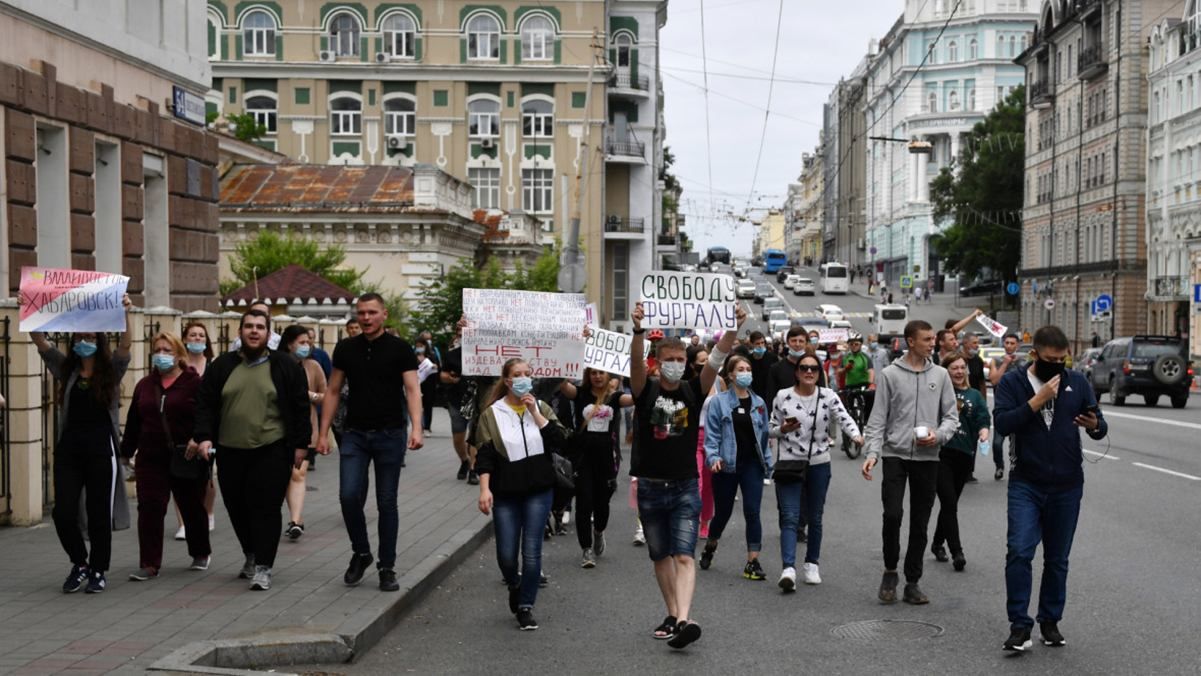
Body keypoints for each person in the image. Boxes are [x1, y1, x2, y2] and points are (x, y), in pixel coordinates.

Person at [629, 301, 746, 650]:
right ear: (659, 361)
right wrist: (637, 331)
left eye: (682, 360)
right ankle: (672, 614)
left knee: (684, 555)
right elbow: (635, 364)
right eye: (671, 359)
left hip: (684, 486)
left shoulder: (693, 390)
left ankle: (683, 619)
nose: (677, 365)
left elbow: (716, 358)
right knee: (660, 556)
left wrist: (734, 328)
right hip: (650, 485)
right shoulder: (645, 390)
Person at [994, 326, 1106, 653]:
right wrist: (1036, 401)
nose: (1056, 365)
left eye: (1062, 359)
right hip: (1026, 482)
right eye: (1049, 359)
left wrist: (1096, 425)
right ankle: (1019, 625)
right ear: (1034, 355)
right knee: (1019, 551)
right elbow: (1002, 423)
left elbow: (1099, 424)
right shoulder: (1014, 383)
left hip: (1067, 485)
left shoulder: (1077, 382)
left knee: (1057, 559)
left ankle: (1050, 621)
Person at [190, 309, 311, 591]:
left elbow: (299, 407)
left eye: (260, 327)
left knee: (266, 507)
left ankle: (264, 566)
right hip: (231, 450)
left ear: (269, 334)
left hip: (272, 448)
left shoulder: (284, 365)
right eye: (248, 327)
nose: (254, 331)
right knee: (237, 506)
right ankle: (251, 554)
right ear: (240, 332)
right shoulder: (222, 366)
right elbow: (205, 403)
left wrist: (301, 445)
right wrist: (204, 437)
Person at [316, 294, 424, 592]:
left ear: (383, 315)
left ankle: (386, 567)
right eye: (361, 313)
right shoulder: (346, 348)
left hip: (390, 434)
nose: (366, 318)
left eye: (372, 313)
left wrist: (418, 428)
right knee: (349, 496)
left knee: (386, 502)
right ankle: (361, 552)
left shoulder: (400, 348)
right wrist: (322, 433)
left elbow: (413, 390)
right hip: (354, 434)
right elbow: (333, 390)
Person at [32, 294, 134, 594]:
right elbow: (40, 342)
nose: (85, 339)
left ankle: (99, 569)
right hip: (70, 450)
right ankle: (80, 562)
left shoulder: (111, 371)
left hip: (101, 450)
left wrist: (126, 312)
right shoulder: (67, 369)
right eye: (81, 334)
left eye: (91, 335)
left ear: (100, 338)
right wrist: (31, 308)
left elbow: (126, 346)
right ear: (74, 338)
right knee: (63, 512)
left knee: (98, 511)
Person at [860, 320, 959, 606]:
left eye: (933, 339)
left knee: (920, 521)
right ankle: (890, 570)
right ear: (910, 341)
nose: (933, 343)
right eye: (927, 339)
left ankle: (912, 581)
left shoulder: (940, 375)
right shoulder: (890, 374)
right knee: (892, 514)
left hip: (928, 458)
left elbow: (952, 417)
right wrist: (872, 454)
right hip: (895, 454)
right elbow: (878, 418)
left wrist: (938, 435)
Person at [473, 358, 569, 630]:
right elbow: (485, 456)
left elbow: (560, 441)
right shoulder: (492, 414)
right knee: (506, 554)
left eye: (528, 374)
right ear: (507, 380)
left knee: (531, 551)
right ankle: (514, 584)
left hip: (539, 491)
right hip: (505, 493)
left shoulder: (542, 408)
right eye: (517, 375)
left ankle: (526, 605)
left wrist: (536, 414)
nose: (523, 378)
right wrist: (484, 489)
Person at [122, 331, 210, 581]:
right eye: (157, 350)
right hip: (150, 457)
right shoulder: (145, 386)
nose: (161, 355)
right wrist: (125, 454)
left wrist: (199, 437)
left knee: (192, 506)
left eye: (167, 351)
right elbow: (133, 422)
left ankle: (200, 551)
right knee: (150, 507)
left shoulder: (194, 383)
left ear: (180, 355)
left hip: (185, 455)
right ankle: (149, 563)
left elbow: (207, 415)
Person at [770, 354, 862, 590]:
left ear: (819, 373)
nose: (809, 372)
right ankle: (788, 569)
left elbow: (844, 418)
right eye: (804, 368)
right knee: (790, 517)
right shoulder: (783, 396)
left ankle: (812, 564)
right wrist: (783, 428)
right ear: (797, 372)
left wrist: (856, 435)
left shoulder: (828, 396)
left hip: (819, 464)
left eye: (813, 368)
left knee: (815, 517)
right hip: (790, 463)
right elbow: (770, 430)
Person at [700, 355, 772, 580]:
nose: (745, 372)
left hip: (752, 465)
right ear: (730, 375)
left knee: (753, 511)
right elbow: (711, 437)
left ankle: (752, 561)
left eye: (748, 369)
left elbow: (765, 436)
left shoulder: (759, 403)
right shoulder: (718, 402)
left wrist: (768, 464)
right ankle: (711, 544)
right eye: (740, 369)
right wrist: (713, 458)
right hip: (726, 465)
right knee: (723, 513)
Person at [559, 370, 632, 568]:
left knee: (602, 503)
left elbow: (637, 398)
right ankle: (586, 549)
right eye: (593, 373)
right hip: (583, 458)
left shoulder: (615, 397)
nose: (597, 377)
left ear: (608, 376)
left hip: (606, 459)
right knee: (583, 503)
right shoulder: (580, 393)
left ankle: (599, 531)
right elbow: (562, 384)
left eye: (601, 373)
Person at [929, 352, 990, 572]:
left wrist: (984, 431)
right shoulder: (938, 392)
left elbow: (983, 418)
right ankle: (957, 551)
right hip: (940, 453)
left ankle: (937, 543)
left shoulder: (974, 395)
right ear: (945, 370)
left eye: (962, 367)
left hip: (965, 455)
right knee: (949, 502)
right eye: (954, 368)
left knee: (950, 502)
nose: (959, 371)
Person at [278, 325, 327, 540]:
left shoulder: (313, 366)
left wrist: (309, 395)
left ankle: (296, 521)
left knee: (298, 473)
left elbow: (326, 395)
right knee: (284, 475)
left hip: (306, 429)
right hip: (278, 430)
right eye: (302, 342)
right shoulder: (277, 365)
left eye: (308, 342)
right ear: (289, 344)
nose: (306, 346)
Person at [175, 322, 217, 541]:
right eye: (193, 335)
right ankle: (183, 523)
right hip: (181, 425)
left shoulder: (212, 365)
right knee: (179, 474)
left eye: (202, 335)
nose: (197, 339)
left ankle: (208, 512)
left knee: (207, 474)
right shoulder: (178, 366)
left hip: (207, 427)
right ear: (184, 339)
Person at [440, 329, 477, 484]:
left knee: (475, 436)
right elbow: (442, 375)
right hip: (457, 400)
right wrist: (449, 379)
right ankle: (464, 460)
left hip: (478, 399)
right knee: (458, 436)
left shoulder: (486, 354)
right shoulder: (452, 355)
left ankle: (474, 469)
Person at [987, 333, 1025, 481]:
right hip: (1002, 409)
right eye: (1007, 343)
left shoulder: (1023, 362)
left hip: (1019, 408)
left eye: (1012, 343)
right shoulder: (996, 361)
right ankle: (999, 466)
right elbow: (994, 381)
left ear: (1018, 345)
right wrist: (1005, 363)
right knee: (997, 443)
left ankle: (1017, 468)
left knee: (1019, 443)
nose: (1009, 346)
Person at [414, 337, 439, 435]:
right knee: (418, 406)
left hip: (429, 384)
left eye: (421, 346)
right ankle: (419, 426)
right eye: (417, 346)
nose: (419, 348)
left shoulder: (431, 355)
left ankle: (427, 427)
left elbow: (437, 368)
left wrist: (434, 367)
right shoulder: (412, 356)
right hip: (418, 384)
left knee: (428, 406)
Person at [745, 331, 778, 403]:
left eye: (762, 343)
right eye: (757, 343)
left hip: (769, 393)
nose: (760, 345)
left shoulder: (772, 357)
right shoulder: (748, 359)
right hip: (754, 393)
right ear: (751, 344)